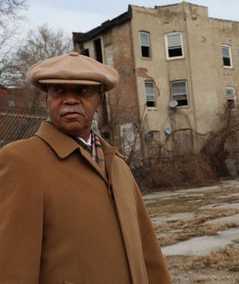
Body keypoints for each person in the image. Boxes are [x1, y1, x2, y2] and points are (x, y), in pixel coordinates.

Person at [0, 52, 172, 284]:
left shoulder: (117, 164)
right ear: (46, 100)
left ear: (99, 101)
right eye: (59, 91)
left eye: (82, 91)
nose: (70, 100)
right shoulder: (23, 160)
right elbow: (11, 265)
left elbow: (147, 250)